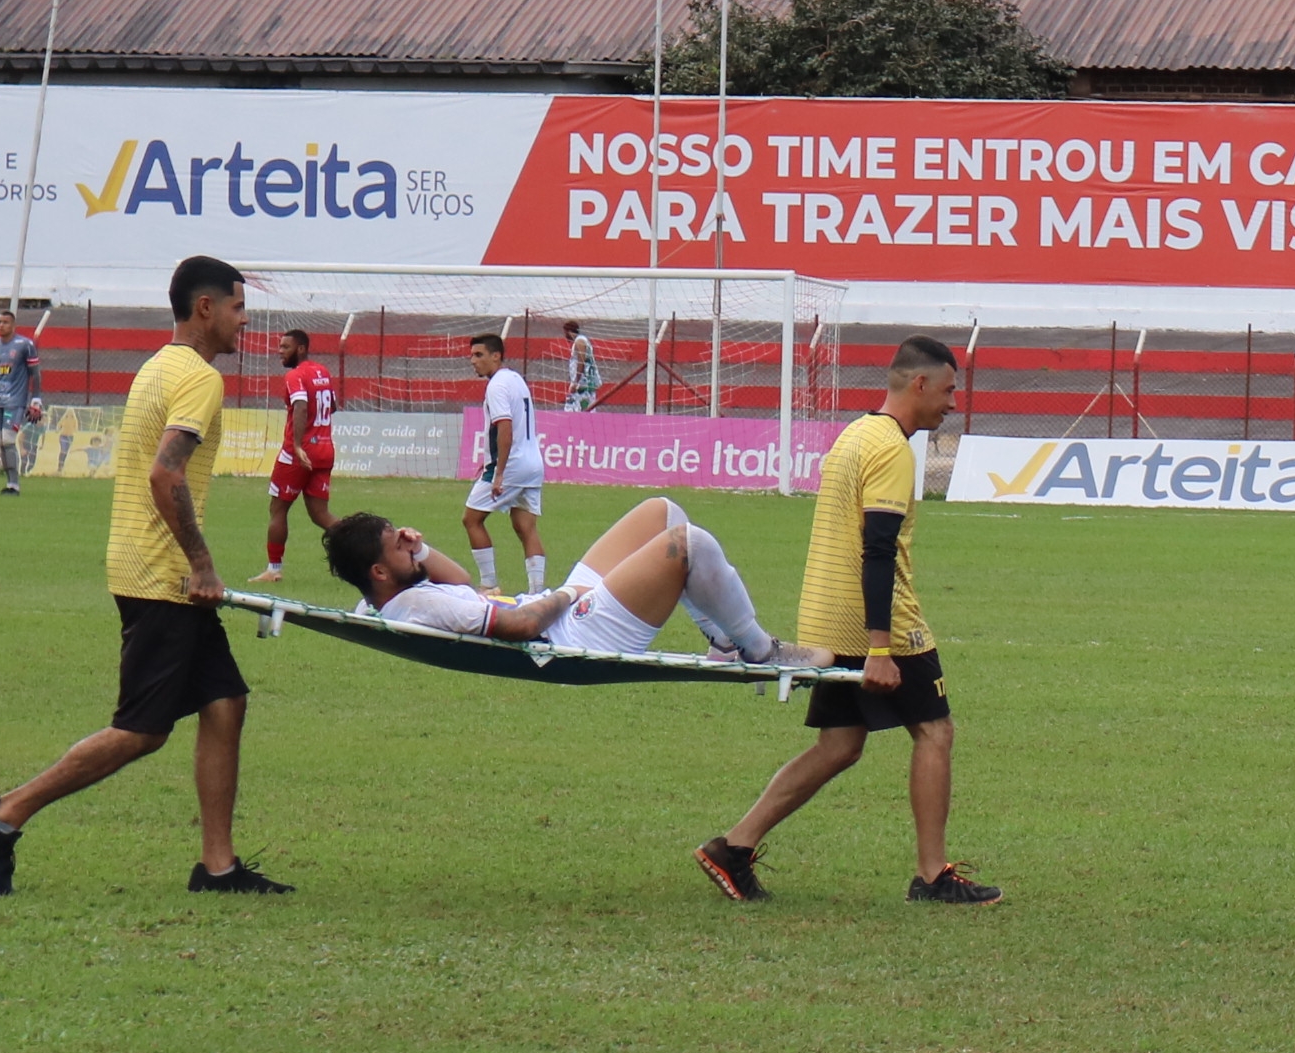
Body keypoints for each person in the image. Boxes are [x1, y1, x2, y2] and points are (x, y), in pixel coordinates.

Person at [0, 256, 293, 898]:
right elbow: (166, 474)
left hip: (144, 563)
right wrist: (201, 564)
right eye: (238, 308)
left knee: (225, 702)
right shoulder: (199, 378)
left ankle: (218, 868)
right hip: (161, 575)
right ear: (205, 308)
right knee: (142, 729)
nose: (245, 321)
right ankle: (1, 815)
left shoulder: (157, 366)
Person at [694, 336, 1001, 906]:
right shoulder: (891, 450)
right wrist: (881, 647)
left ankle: (733, 847)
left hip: (827, 620)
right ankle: (932, 875)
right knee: (935, 732)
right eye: (948, 390)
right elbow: (877, 549)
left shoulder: (855, 434)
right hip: (879, 627)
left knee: (840, 744)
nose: (953, 403)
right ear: (920, 384)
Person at [323, 495, 831, 669]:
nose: (408, 543)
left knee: (661, 511)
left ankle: (724, 644)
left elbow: (462, 585)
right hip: (571, 633)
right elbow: (520, 626)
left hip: (555, 613)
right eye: (398, 546)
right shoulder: (420, 608)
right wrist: (570, 594)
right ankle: (760, 651)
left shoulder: (387, 599)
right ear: (379, 572)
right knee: (686, 543)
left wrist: (418, 551)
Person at [251, 329, 339, 582]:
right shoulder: (322, 371)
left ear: (300, 349)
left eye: (285, 347)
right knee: (320, 514)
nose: (280, 351)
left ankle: (273, 570)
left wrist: (299, 445)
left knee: (278, 509)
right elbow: (332, 406)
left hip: (297, 453)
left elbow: (301, 406)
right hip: (324, 449)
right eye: (280, 346)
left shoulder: (295, 375)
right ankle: (365, 547)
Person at [462, 333, 546, 593]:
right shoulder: (515, 379)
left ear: (496, 356)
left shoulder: (496, 385)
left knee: (471, 519)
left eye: (479, 355)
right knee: (525, 527)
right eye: (472, 355)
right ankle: (537, 593)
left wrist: (499, 472)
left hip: (511, 465)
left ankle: (489, 584)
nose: (473, 361)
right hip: (533, 464)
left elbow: (505, 428)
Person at [0, 309, 42, 496]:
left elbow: (35, 374)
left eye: (5, 322)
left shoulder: (25, 345)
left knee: (8, 440)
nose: (1, 325)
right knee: (0, 442)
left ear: (13, 325)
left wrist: (36, 400)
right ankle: (10, 484)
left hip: (15, 401)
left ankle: (14, 485)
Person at [562, 320, 600, 412]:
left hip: (582, 383)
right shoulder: (581, 340)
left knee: (572, 409)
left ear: (568, 331)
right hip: (585, 382)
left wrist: (576, 382)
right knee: (587, 408)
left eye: (565, 332)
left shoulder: (579, 341)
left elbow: (581, 361)